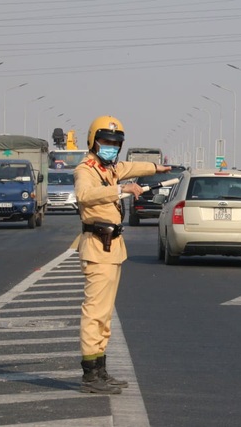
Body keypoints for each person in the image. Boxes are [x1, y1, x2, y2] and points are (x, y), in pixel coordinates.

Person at [74, 115, 171, 394]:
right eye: (106, 141)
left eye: (116, 143)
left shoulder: (111, 168)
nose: (111, 147)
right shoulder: (86, 169)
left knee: (104, 316)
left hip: (112, 247)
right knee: (95, 313)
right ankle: (90, 376)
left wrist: (156, 167)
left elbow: (131, 166)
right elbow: (85, 195)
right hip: (97, 246)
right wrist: (121, 189)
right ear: (93, 141)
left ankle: (100, 371)